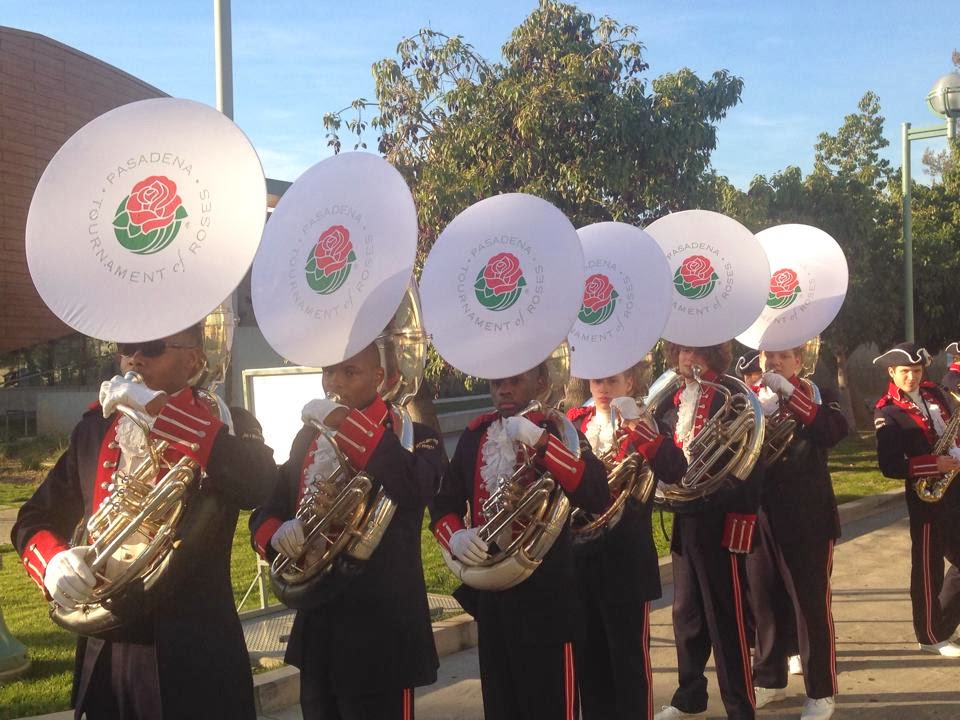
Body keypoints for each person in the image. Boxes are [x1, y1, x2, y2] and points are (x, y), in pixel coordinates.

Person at [13, 323, 276, 720]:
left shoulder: (228, 424)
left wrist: (160, 412)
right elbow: (33, 519)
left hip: (195, 655)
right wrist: (51, 562)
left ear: (193, 359)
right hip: (106, 651)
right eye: (126, 346)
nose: (134, 358)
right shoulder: (95, 427)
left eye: (151, 347)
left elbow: (256, 483)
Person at [249, 342, 443, 720]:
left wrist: (345, 425)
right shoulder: (308, 437)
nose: (333, 382)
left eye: (349, 372)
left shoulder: (417, 434)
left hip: (383, 631)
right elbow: (268, 506)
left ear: (381, 378)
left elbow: (415, 486)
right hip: (319, 625)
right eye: (328, 371)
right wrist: (275, 535)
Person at [429, 363, 609, 720]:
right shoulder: (474, 435)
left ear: (541, 381)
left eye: (515, 380)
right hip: (493, 601)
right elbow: (442, 504)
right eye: (497, 381)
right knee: (501, 706)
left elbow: (595, 493)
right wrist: (456, 538)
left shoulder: (560, 430)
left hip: (550, 600)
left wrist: (542, 443)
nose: (504, 390)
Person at [567, 368, 687, 720]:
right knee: (589, 666)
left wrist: (642, 430)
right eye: (597, 381)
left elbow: (674, 469)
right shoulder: (573, 425)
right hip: (580, 561)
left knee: (629, 666)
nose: (603, 388)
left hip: (626, 562)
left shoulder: (645, 422)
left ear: (630, 383)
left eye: (612, 380)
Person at [652, 342, 760, 720]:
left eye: (697, 353)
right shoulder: (673, 398)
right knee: (686, 612)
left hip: (721, 516)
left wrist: (742, 519)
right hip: (686, 515)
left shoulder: (731, 395)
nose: (688, 359)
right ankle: (690, 695)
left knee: (725, 617)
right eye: (681, 352)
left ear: (714, 355)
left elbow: (749, 460)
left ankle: (740, 705)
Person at [746, 347, 847, 720]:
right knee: (763, 602)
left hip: (808, 518)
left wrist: (791, 395)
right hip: (759, 516)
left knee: (811, 607)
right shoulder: (749, 401)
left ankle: (821, 690)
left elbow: (833, 432)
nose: (773, 363)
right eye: (767, 357)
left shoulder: (822, 395)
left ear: (799, 363)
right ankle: (769, 678)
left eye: (783, 356)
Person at [874, 341, 960, 657]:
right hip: (924, 493)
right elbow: (890, 465)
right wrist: (932, 464)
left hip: (954, 485)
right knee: (927, 567)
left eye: (917, 370)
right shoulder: (887, 410)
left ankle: (943, 626)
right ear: (892, 372)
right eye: (905, 372)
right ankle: (928, 635)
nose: (911, 377)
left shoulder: (936, 395)